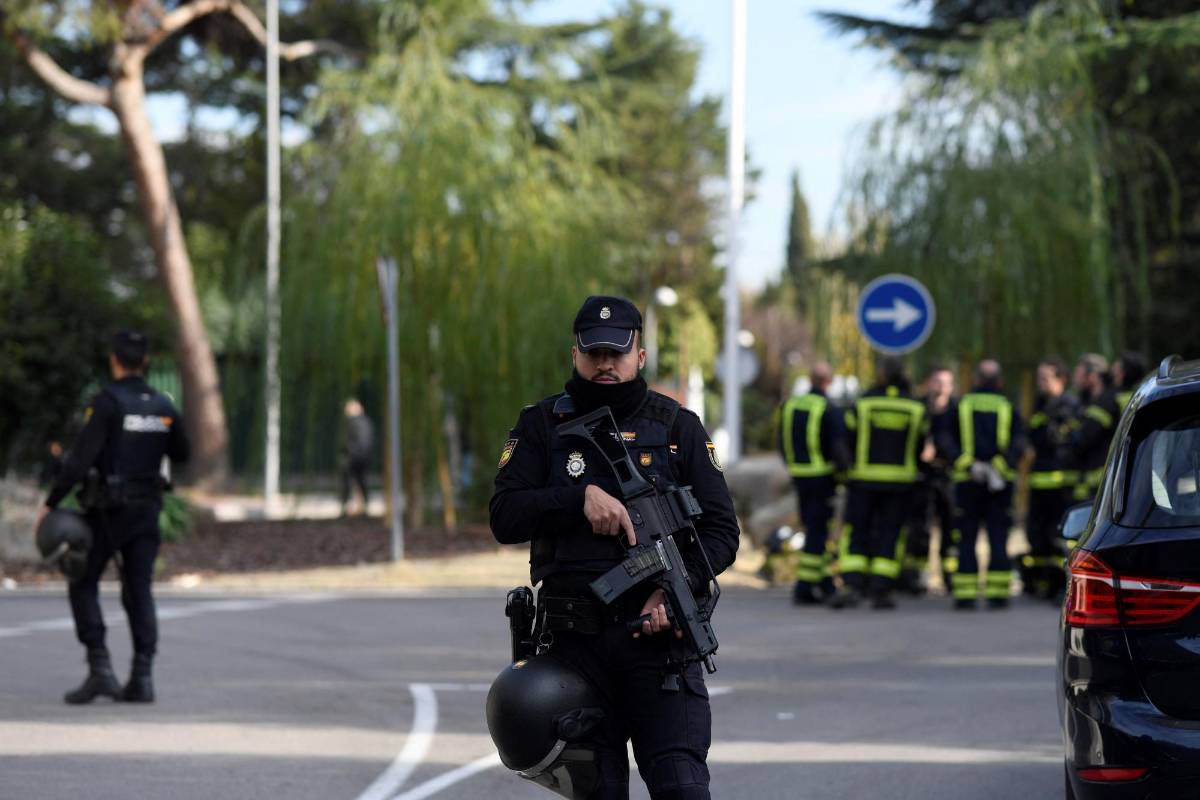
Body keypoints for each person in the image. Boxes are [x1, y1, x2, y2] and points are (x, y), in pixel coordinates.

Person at [490, 295, 739, 799]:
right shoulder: (540, 425)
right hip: (573, 655)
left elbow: (721, 532)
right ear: (574, 354)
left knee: (683, 788)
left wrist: (674, 595)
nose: (605, 363)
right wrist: (576, 500)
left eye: (617, 353)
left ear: (640, 356)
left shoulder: (676, 427)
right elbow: (505, 515)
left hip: (659, 651)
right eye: (594, 352)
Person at [36, 330, 189, 704]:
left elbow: (79, 460)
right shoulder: (163, 406)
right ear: (146, 362)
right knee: (139, 590)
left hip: (107, 512)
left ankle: (100, 668)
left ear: (114, 360)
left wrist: (51, 502)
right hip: (147, 511)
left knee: (83, 582)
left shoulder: (107, 403)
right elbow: (182, 453)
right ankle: (142, 676)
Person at [830, 356, 927, 611]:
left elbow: (845, 439)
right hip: (900, 484)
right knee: (890, 534)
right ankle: (881, 589)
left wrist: (846, 468)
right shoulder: (915, 408)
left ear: (881, 374)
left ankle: (852, 585)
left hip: (863, 481)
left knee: (856, 532)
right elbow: (921, 446)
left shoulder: (863, 404)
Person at [940, 359, 1025, 610]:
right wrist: (997, 466)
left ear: (976, 380)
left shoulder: (960, 405)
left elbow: (944, 438)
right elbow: (1019, 442)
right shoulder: (1009, 407)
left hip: (968, 482)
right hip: (999, 484)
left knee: (966, 537)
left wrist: (967, 464)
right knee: (998, 537)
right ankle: (998, 595)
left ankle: (965, 595)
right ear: (999, 381)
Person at [778, 361, 849, 605]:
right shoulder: (829, 408)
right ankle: (805, 587)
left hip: (799, 477)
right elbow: (838, 447)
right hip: (822, 478)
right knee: (819, 533)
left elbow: (782, 442)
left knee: (813, 529)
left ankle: (825, 583)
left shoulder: (790, 405)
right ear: (828, 382)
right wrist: (844, 474)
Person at [1022, 358, 1079, 601]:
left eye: (1045, 378)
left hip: (1060, 483)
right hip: (1039, 482)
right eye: (1039, 378)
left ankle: (1060, 585)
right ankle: (1041, 582)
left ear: (1061, 379)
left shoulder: (1070, 405)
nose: (1040, 383)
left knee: (1059, 537)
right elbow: (1033, 438)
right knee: (1037, 534)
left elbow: (1067, 442)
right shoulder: (1040, 405)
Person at [900, 365, 957, 594]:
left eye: (946, 382)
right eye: (937, 381)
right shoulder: (919, 408)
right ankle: (916, 577)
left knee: (950, 528)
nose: (941, 387)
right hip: (922, 476)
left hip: (948, 476)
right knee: (919, 528)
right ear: (928, 383)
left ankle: (950, 577)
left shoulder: (957, 410)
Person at [1065, 353, 1116, 504]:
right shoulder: (1084, 403)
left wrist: (1072, 434)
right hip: (1086, 485)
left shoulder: (1107, 402)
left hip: (1103, 487)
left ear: (1093, 376)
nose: (1075, 378)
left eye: (1079, 374)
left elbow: (1083, 440)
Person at [339, 398, 374, 516]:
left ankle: (348, 506)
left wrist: (350, 454)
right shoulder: (366, 422)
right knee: (362, 482)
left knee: (349, 482)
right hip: (364, 457)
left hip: (355, 458)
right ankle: (363, 506)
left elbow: (355, 442)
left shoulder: (354, 423)